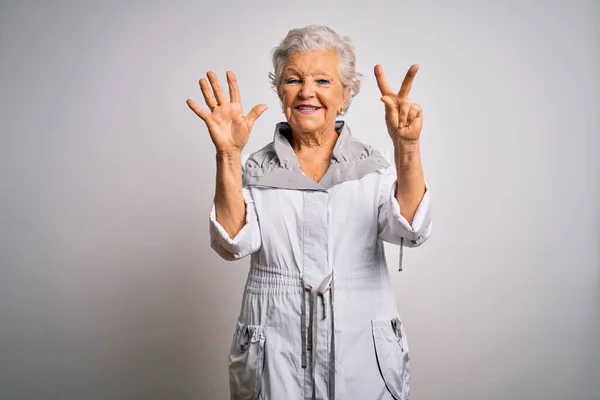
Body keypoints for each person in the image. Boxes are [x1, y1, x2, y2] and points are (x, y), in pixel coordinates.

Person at [186, 25, 431, 400]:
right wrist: (228, 155)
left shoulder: (372, 166)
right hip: (275, 348)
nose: (307, 91)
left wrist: (408, 146)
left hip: (362, 347)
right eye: (293, 79)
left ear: (346, 94)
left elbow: (411, 230)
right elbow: (231, 243)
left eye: (323, 80)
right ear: (279, 91)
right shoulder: (255, 168)